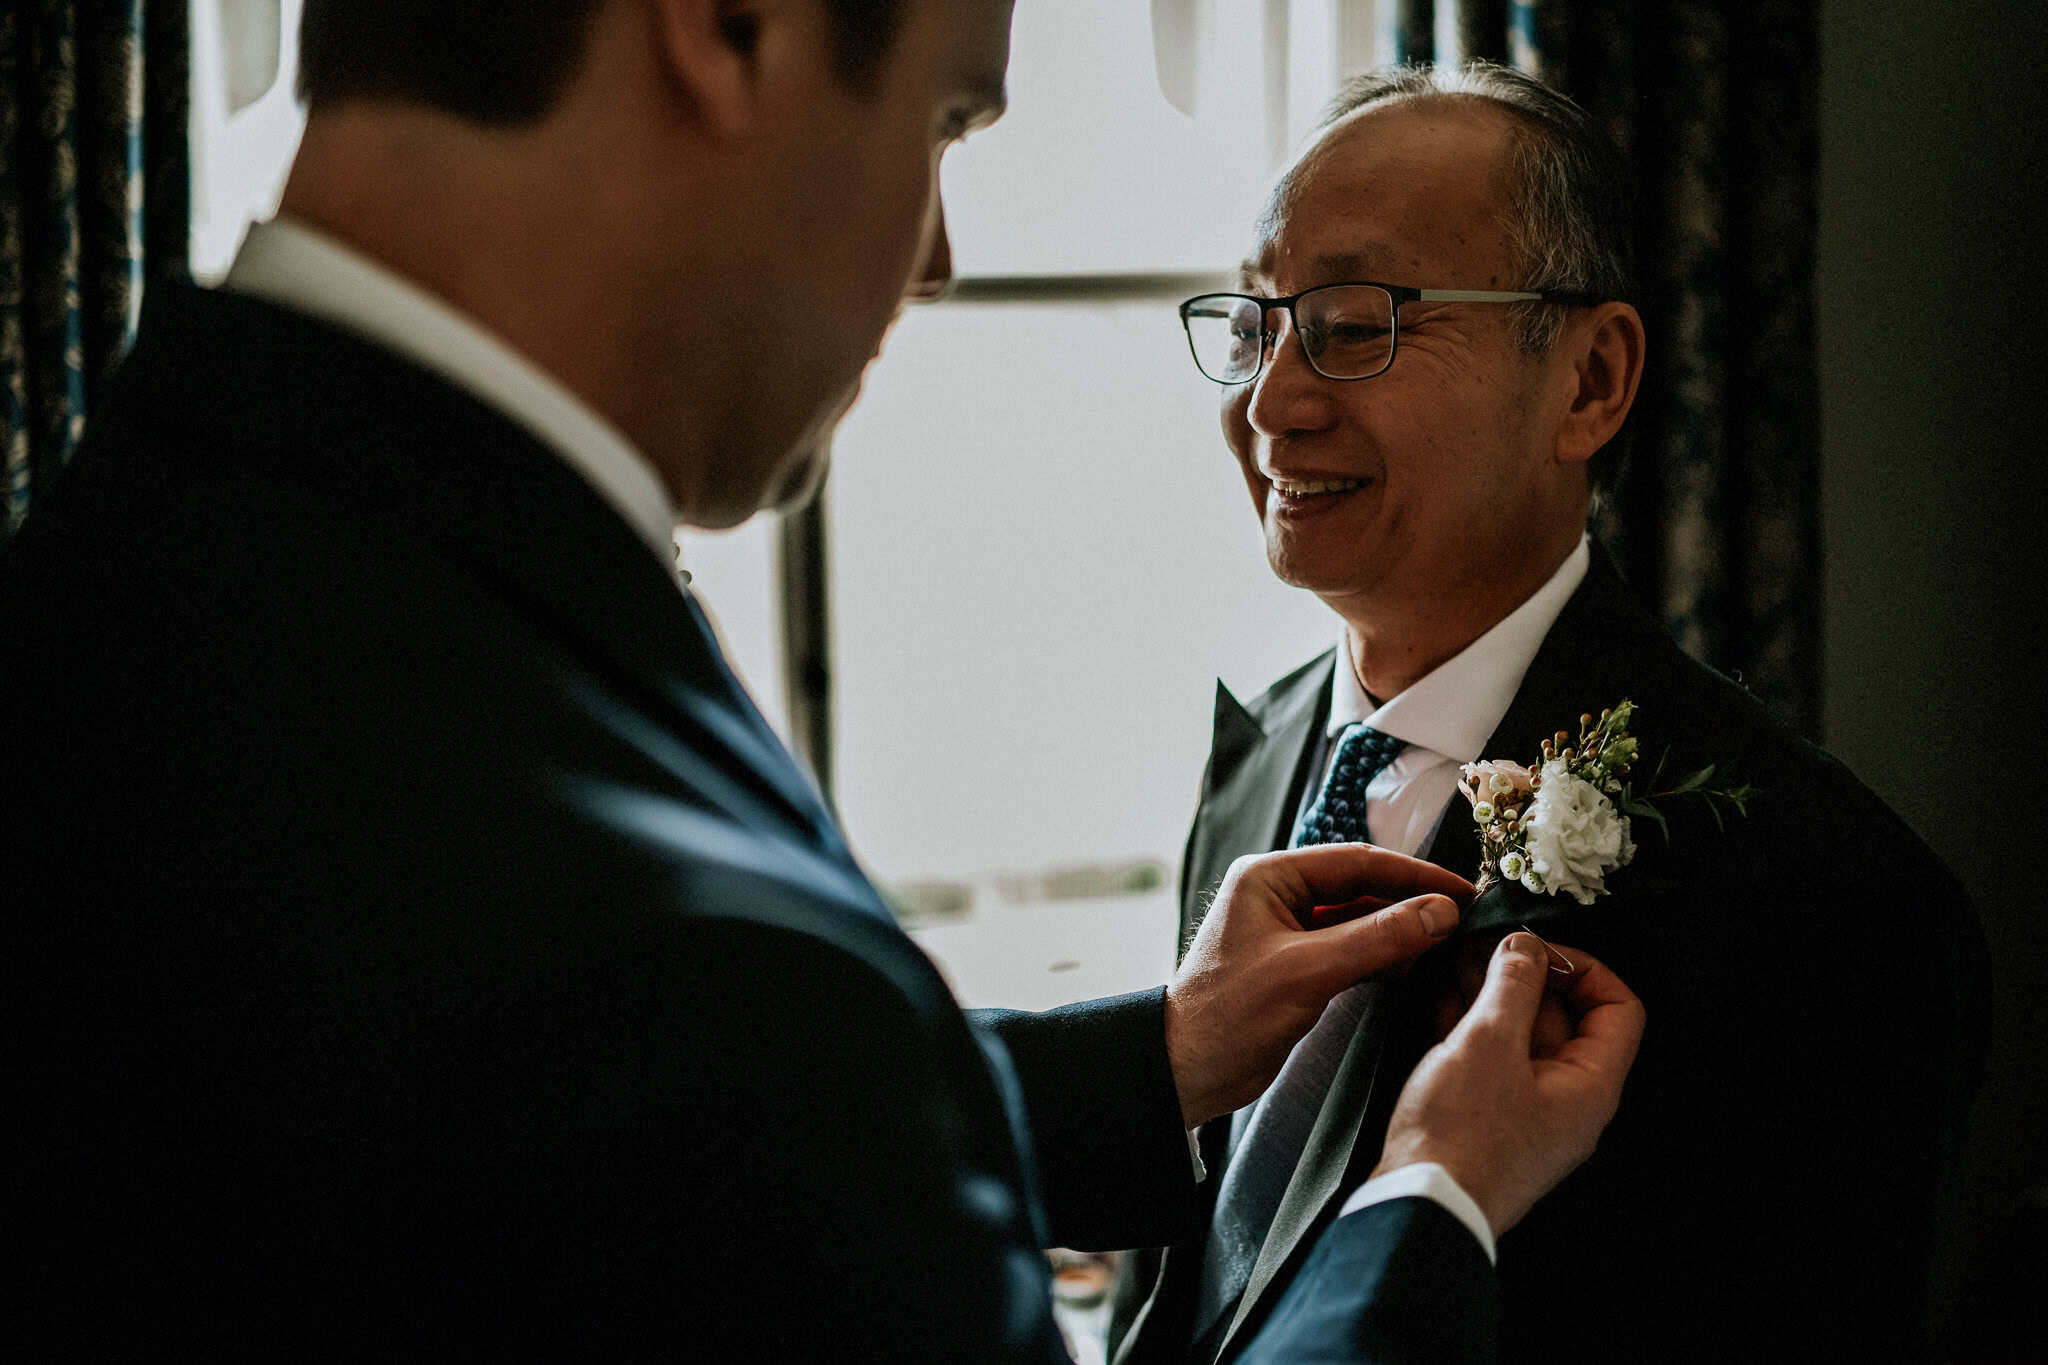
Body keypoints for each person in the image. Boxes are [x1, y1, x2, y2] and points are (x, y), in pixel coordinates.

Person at [0, 5, 1645, 1359]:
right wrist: (1424, 1208)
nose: (930, 257)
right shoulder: (684, 967)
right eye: (942, 124)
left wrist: (1145, 1062)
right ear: (725, 29)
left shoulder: (142, 566)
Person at [1108, 63, 1991, 1365]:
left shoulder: (1834, 903)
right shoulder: (1257, 757)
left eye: (1356, 322)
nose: (1273, 404)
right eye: (1255, 324)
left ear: (1590, 379)